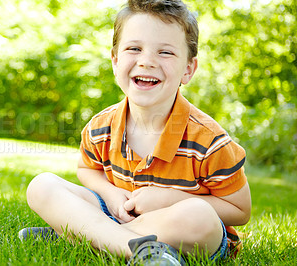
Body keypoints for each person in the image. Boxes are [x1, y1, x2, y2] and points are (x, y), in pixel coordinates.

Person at [19, 0, 251, 264]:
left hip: (185, 232)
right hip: (118, 214)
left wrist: (171, 199)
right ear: (115, 61)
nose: (147, 61)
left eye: (165, 52)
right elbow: (87, 170)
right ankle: (135, 249)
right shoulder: (100, 126)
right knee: (42, 186)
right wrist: (111, 193)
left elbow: (240, 211)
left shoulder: (210, 141)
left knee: (198, 215)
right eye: (134, 48)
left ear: (188, 69)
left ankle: (84, 236)